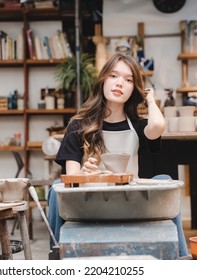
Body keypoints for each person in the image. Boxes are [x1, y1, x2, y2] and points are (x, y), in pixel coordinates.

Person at [47, 53, 189, 257]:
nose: (120, 83)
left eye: (128, 79)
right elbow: (70, 179)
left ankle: (181, 258)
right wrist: (85, 175)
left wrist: (149, 99)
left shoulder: (139, 126)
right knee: (55, 189)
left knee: (166, 180)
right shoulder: (78, 126)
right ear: (103, 80)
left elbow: (157, 125)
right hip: (92, 204)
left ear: (134, 89)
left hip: (129, 202)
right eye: (114, 76)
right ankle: (56, 259)